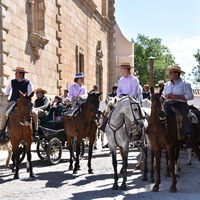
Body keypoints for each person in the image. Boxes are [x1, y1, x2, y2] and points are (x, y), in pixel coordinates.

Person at [0, 67, 38, 140]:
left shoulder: (28, 82)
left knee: (35, 113)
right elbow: (7, 91)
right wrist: (7, 98)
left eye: (16, 72)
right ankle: (2, 131)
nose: (15, 74)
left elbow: (30, 93)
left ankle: (35, 131)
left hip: (25, 103)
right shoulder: (12, 82)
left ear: (21, 74)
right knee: (4, 113)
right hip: (14, 101)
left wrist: (27, 100)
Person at [163, 65, 194, 146]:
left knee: (185, 116)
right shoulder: (167, 85)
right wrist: (166, 97)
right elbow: (163, 95)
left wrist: (177, 97)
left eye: (170, 73)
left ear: (176, 74)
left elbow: (190, 96)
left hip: (180, 104)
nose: (169, 75)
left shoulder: (185, 84)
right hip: (168, 104)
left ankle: (187, 135)